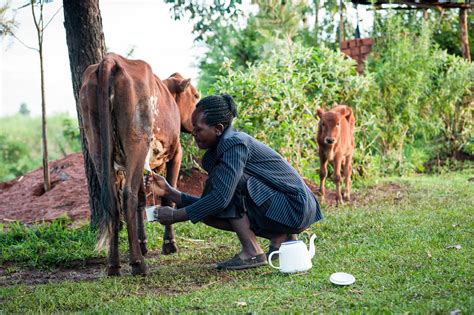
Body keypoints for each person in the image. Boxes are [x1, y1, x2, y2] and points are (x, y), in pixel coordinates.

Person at [148, 94, 323, 270]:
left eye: (198, 129)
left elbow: (220, 199)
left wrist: (174, 216)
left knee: (225, 188)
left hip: (296, 207)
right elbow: (211, 203)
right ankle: (280, 236)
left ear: (218, 128)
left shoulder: (234, 145)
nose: (193, 133)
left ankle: (252, 252)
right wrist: (171, 193)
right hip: (292, 207)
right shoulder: (224, 147)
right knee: (211, 203)